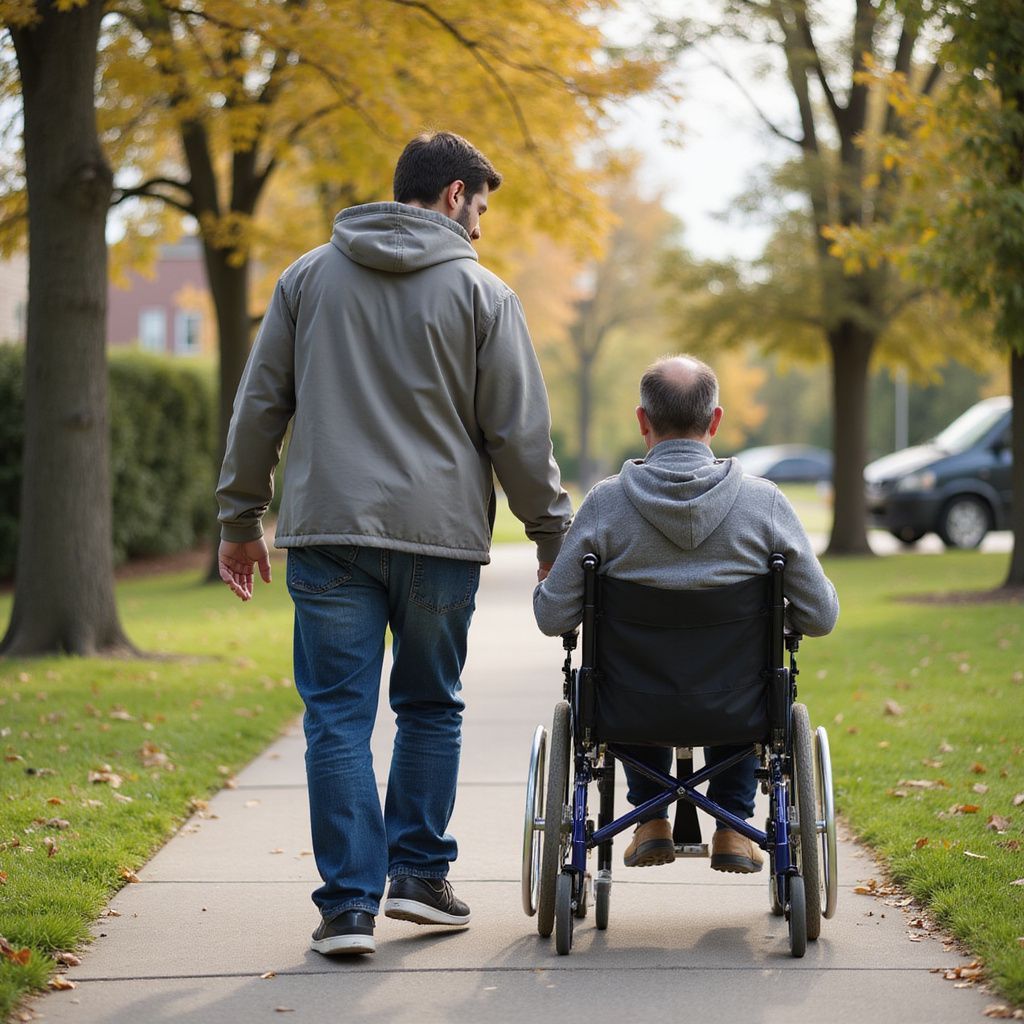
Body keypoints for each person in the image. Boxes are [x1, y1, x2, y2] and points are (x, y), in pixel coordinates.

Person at [216, 131, 572, 956]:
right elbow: (518, 433)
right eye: (479, 207)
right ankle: (417, 876)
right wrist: (550, 529)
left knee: (336, 717)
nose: (479, 229)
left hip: (329, 533)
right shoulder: (484, 297)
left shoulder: (306, 279)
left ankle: (347, 908)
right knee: (430, 706)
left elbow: (259, 407)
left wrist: (240, 519)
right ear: (453, 194)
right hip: (439, 541)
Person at [533, 355, 837, 874]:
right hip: (738, 703)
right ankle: (733, 828)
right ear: (715, 421)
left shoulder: (605, 505)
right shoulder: (764, 504)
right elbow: (821, 614)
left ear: (642, 421)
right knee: (745, 676)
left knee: (624, 670)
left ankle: (651, 821)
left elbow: (552, 616)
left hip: (631, 705)